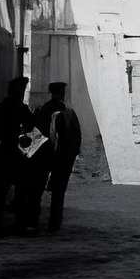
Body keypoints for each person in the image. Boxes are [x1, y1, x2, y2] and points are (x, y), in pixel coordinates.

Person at [35, 80, 83, 233]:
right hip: (59, 157)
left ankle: (37, 220)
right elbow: (76, 135)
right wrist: (72, 154)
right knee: (57, 191)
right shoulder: (66, 111)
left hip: (48, 156)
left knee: (39, 190)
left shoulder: (46, 110)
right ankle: (54, 222)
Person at [0, 75, 34, 230]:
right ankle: (19, 222)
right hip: (13, 151)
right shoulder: (20, 107)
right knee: (21, 188)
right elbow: (31, 125)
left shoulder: (2, 106)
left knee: (0, 190)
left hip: (3, 151)